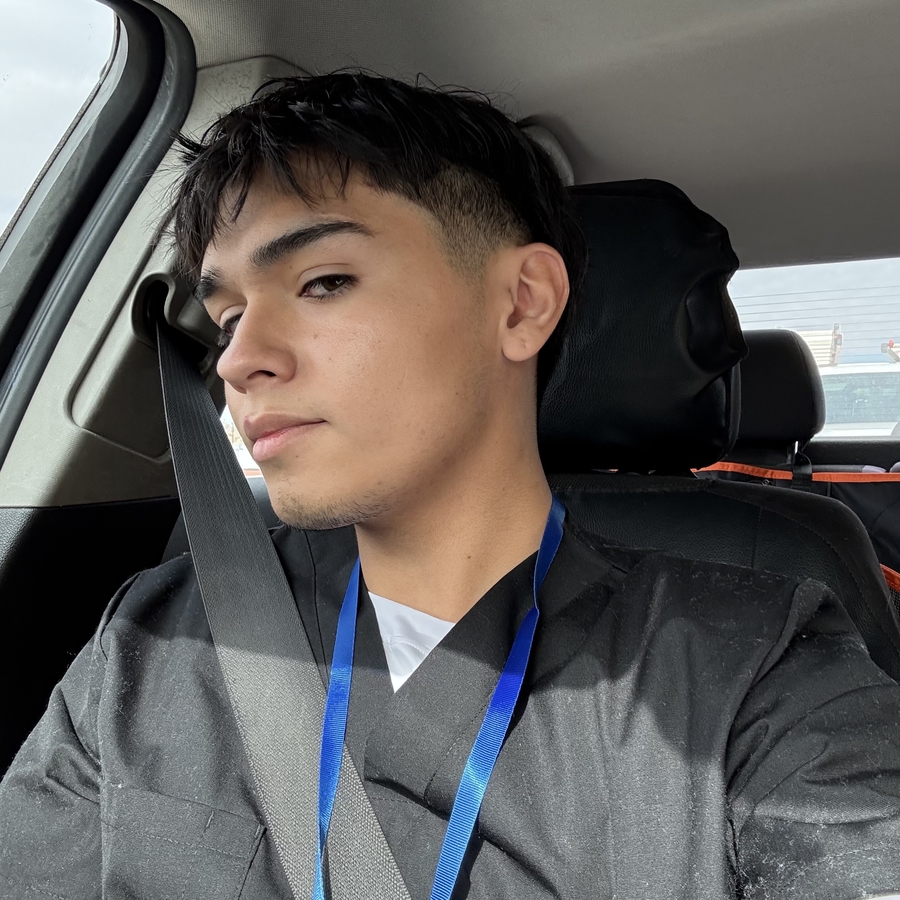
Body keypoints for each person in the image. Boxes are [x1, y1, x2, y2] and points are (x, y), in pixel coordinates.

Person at [1, 72, 899, 900]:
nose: (238, 360)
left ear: (521, 303)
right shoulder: (150, 639)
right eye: (227, 316)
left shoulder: (756, 673)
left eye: (323, 281)